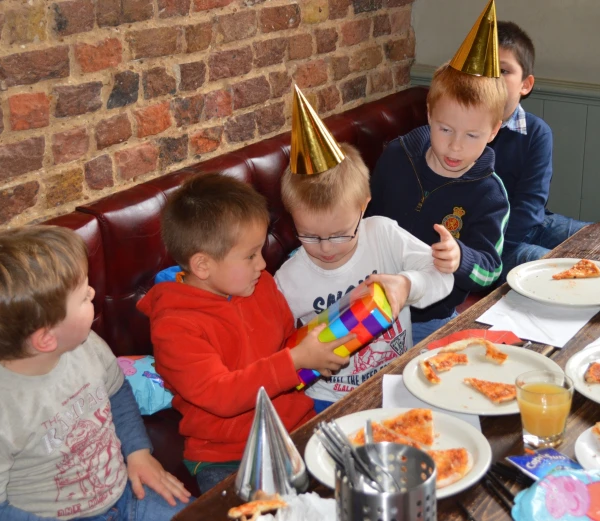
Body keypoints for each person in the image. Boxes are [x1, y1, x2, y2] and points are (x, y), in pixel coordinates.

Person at [137, 173, 351, 495]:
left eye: (260, 251)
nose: (263, 264)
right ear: (203, 266)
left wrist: (315, 350)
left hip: (297, 424)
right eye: (251, 255)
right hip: (229, 455)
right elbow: (221, 395)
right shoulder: (175, 327)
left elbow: (285, 340)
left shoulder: (258, 283)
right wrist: (294, 361)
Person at [0, 226, 191, 521]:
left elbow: (117, 392)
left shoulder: (85, 344)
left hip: (127, 490)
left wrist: (138, 453)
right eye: (83, 297)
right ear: (46, 339)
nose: (93, 292)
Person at [274, 85, 454, 413]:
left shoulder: (382, 234)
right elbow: (274, 350)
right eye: (309, 236)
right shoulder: (287, 281)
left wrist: (408, 285)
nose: (326, 249)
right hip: (327, 400)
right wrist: (299, 357)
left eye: (340, 234)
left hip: (398, 379)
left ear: (363, 207)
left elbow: (443, 276)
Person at [366, 1, 510, 345]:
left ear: (493, 131)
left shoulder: (490, 194)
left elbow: (490, 269)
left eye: (472, 135)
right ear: (429, 114)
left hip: (433, 319)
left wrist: (461, 258)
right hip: (376, 310)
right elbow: (368, 222)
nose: (455, 147)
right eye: (445, 129)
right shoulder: (397, 156)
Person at [491, 21, 589, 281]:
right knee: (550, 267)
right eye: (483, 69)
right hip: (489, 243)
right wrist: (492, 251)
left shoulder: (536, 132)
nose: (492, 78)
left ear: (525, 84)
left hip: (534, 223)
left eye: (503, 70)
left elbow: (531, 204)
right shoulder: (462, 130)